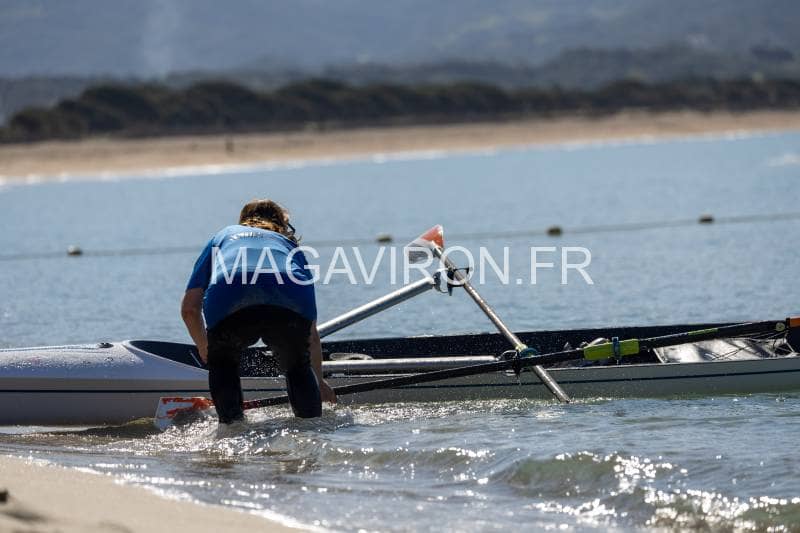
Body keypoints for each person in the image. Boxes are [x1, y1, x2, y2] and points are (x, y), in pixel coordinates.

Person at [181, 199, 336, 423]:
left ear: (243, 221)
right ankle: (313, 429)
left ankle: (230, 430)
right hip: (289, 296)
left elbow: (189, 309)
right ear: (282, 225)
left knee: (224, 365)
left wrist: (207, 348)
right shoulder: (289, 245)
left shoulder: (223, 236)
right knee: (297, 366)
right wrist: (318, 381)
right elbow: (311, 335)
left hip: (229, 295)